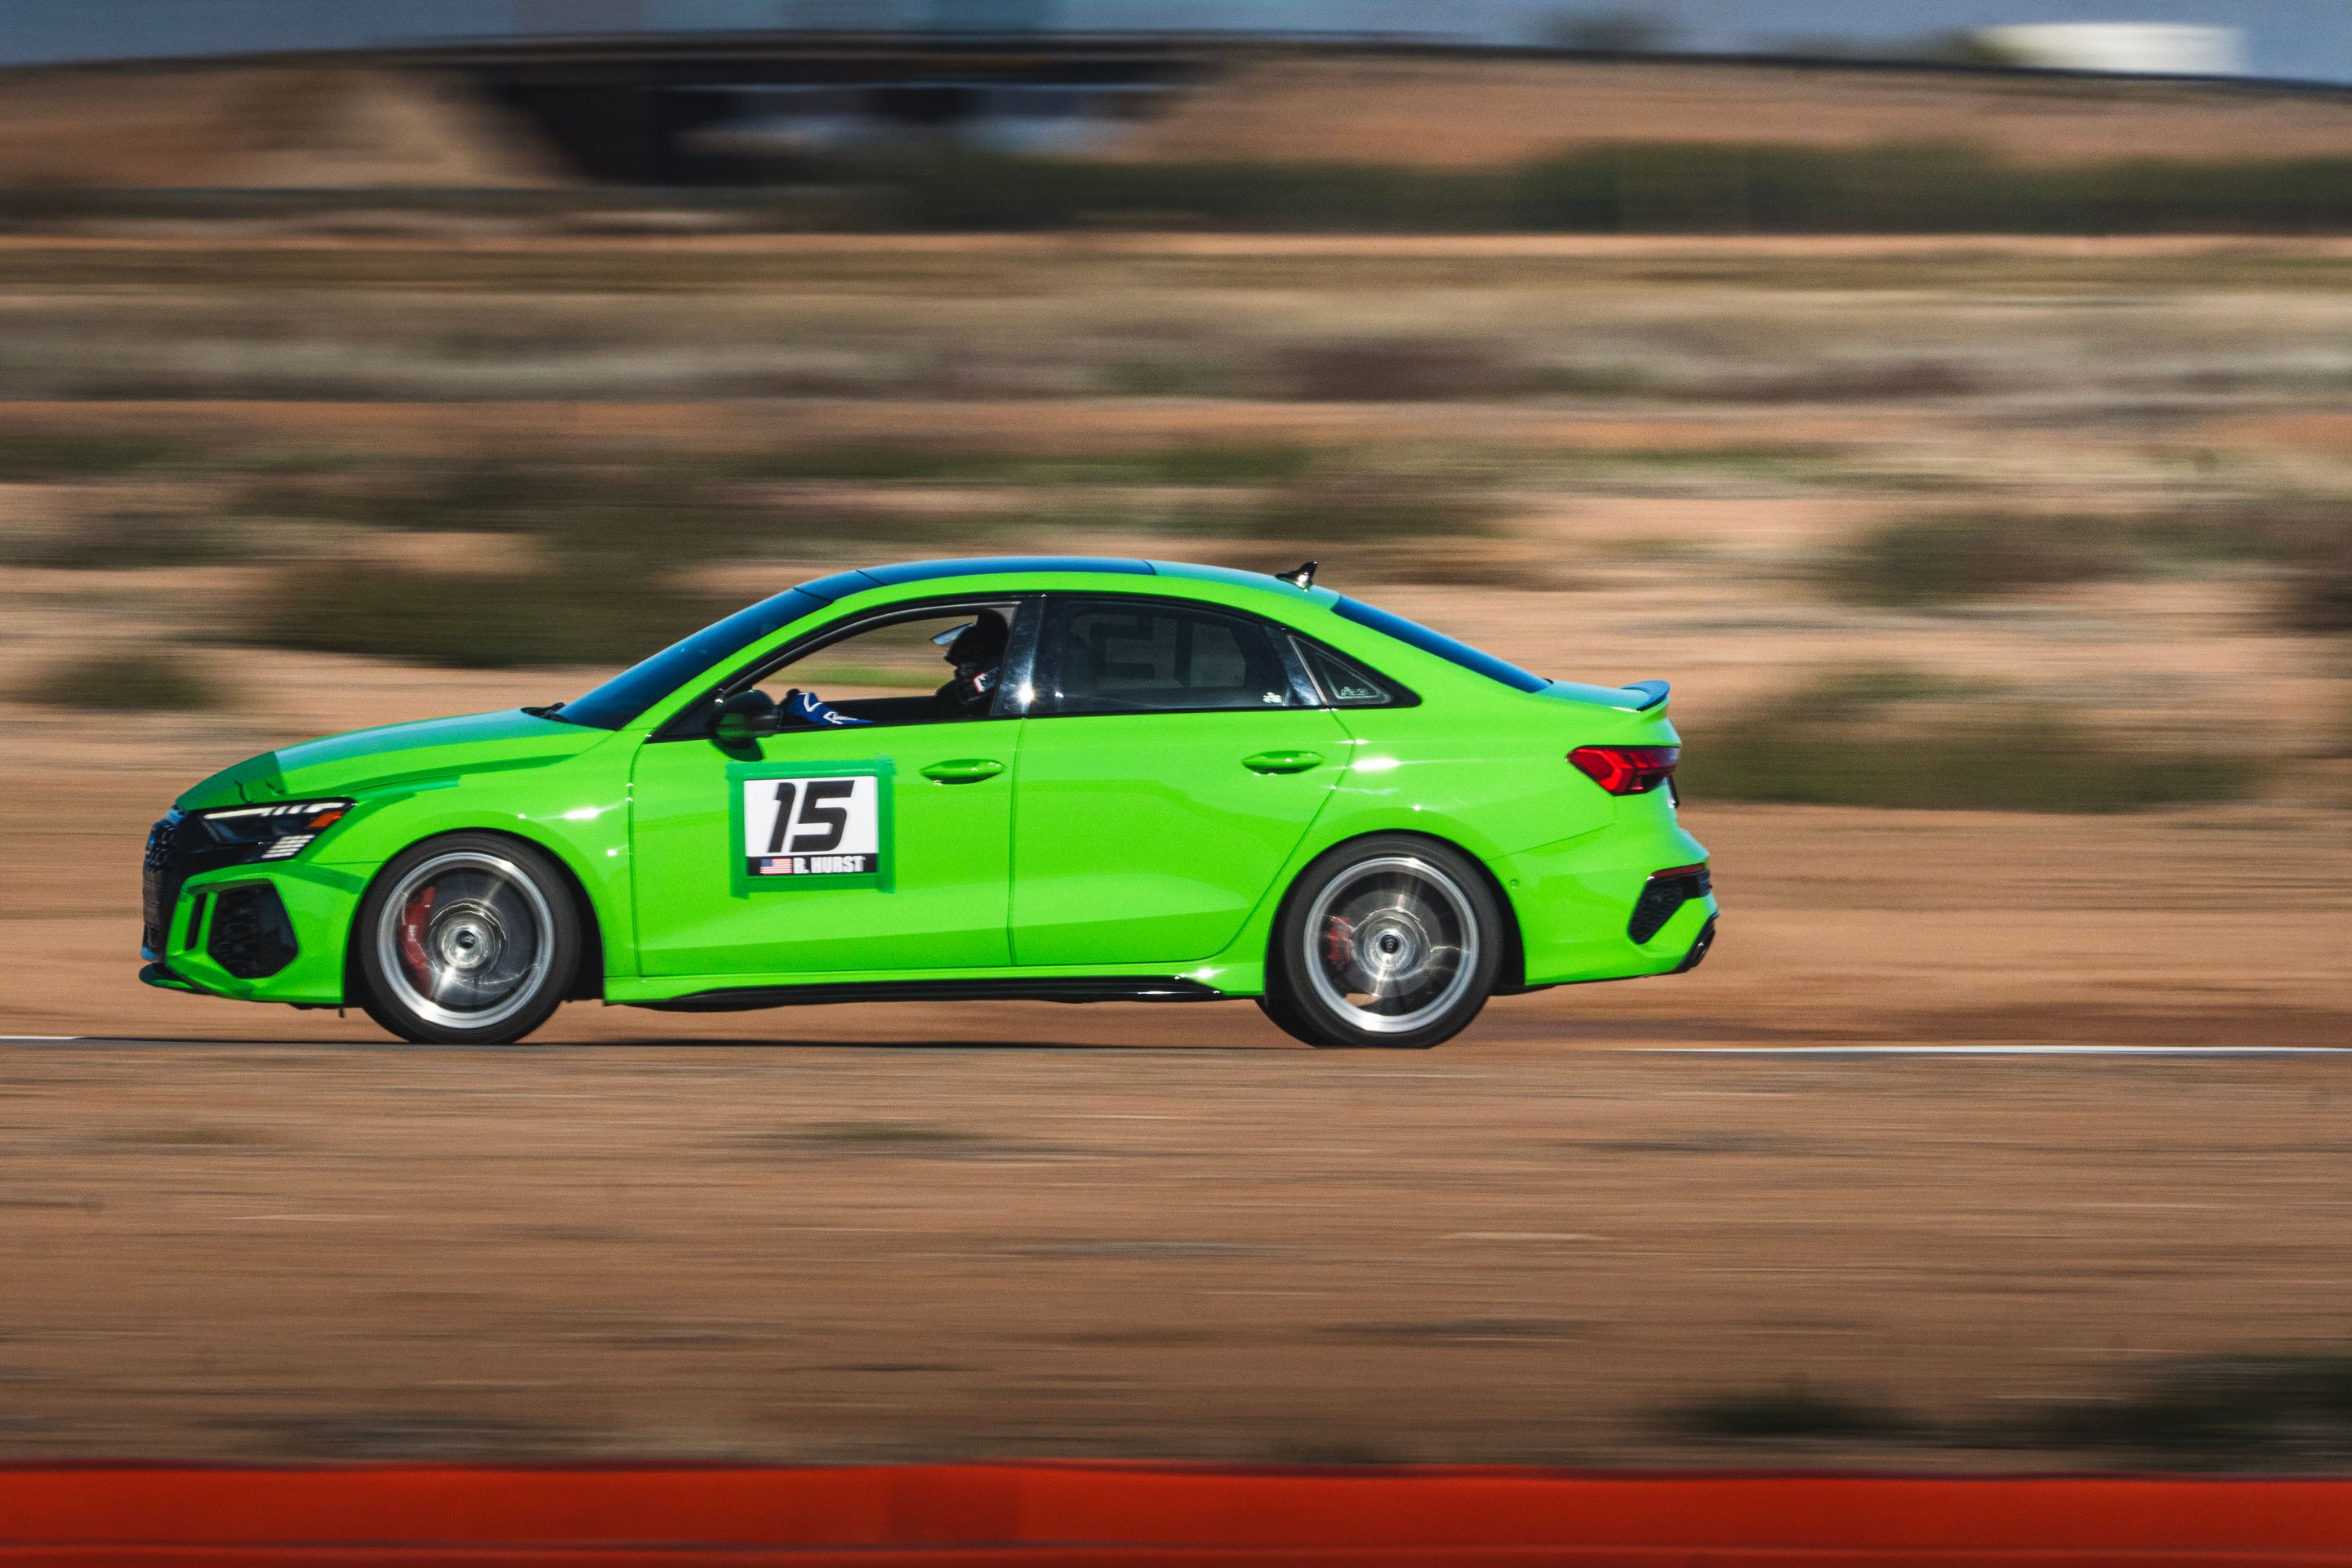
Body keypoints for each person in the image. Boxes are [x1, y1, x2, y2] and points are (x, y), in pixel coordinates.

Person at [933, 610, 1009, 718]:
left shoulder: (995, 689)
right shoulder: (951, 692)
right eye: (960, 662)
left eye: (967, 659)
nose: (960, 668)